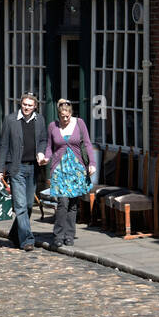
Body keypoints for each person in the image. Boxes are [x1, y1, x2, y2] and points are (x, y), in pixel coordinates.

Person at [0, 93, 48, 254]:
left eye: (30, 105)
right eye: (24, 104)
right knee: (21, 205)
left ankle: (14, 234)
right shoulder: (10, 120)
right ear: (20, 104)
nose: (26, 107)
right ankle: (27, 240)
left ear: (35, 107)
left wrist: (40, 152)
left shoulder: (40, 120)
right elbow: (3, 145)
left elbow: (44, 140)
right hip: (16, 168)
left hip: (33, 168)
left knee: (29, 205)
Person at [42, 99, 97, 253]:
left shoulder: (79, 123)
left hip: (76, 168)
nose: (64, 119)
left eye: (67, 116)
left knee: (73, 204)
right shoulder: (53, 126)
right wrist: (46, 158)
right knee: (62, 202)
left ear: (71, 114)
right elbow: (49, 146)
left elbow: (87, 144)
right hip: (59, 169)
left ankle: (70, 235)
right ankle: (58, 235)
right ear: (58, 115)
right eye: (62, 116)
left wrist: (91, 163)